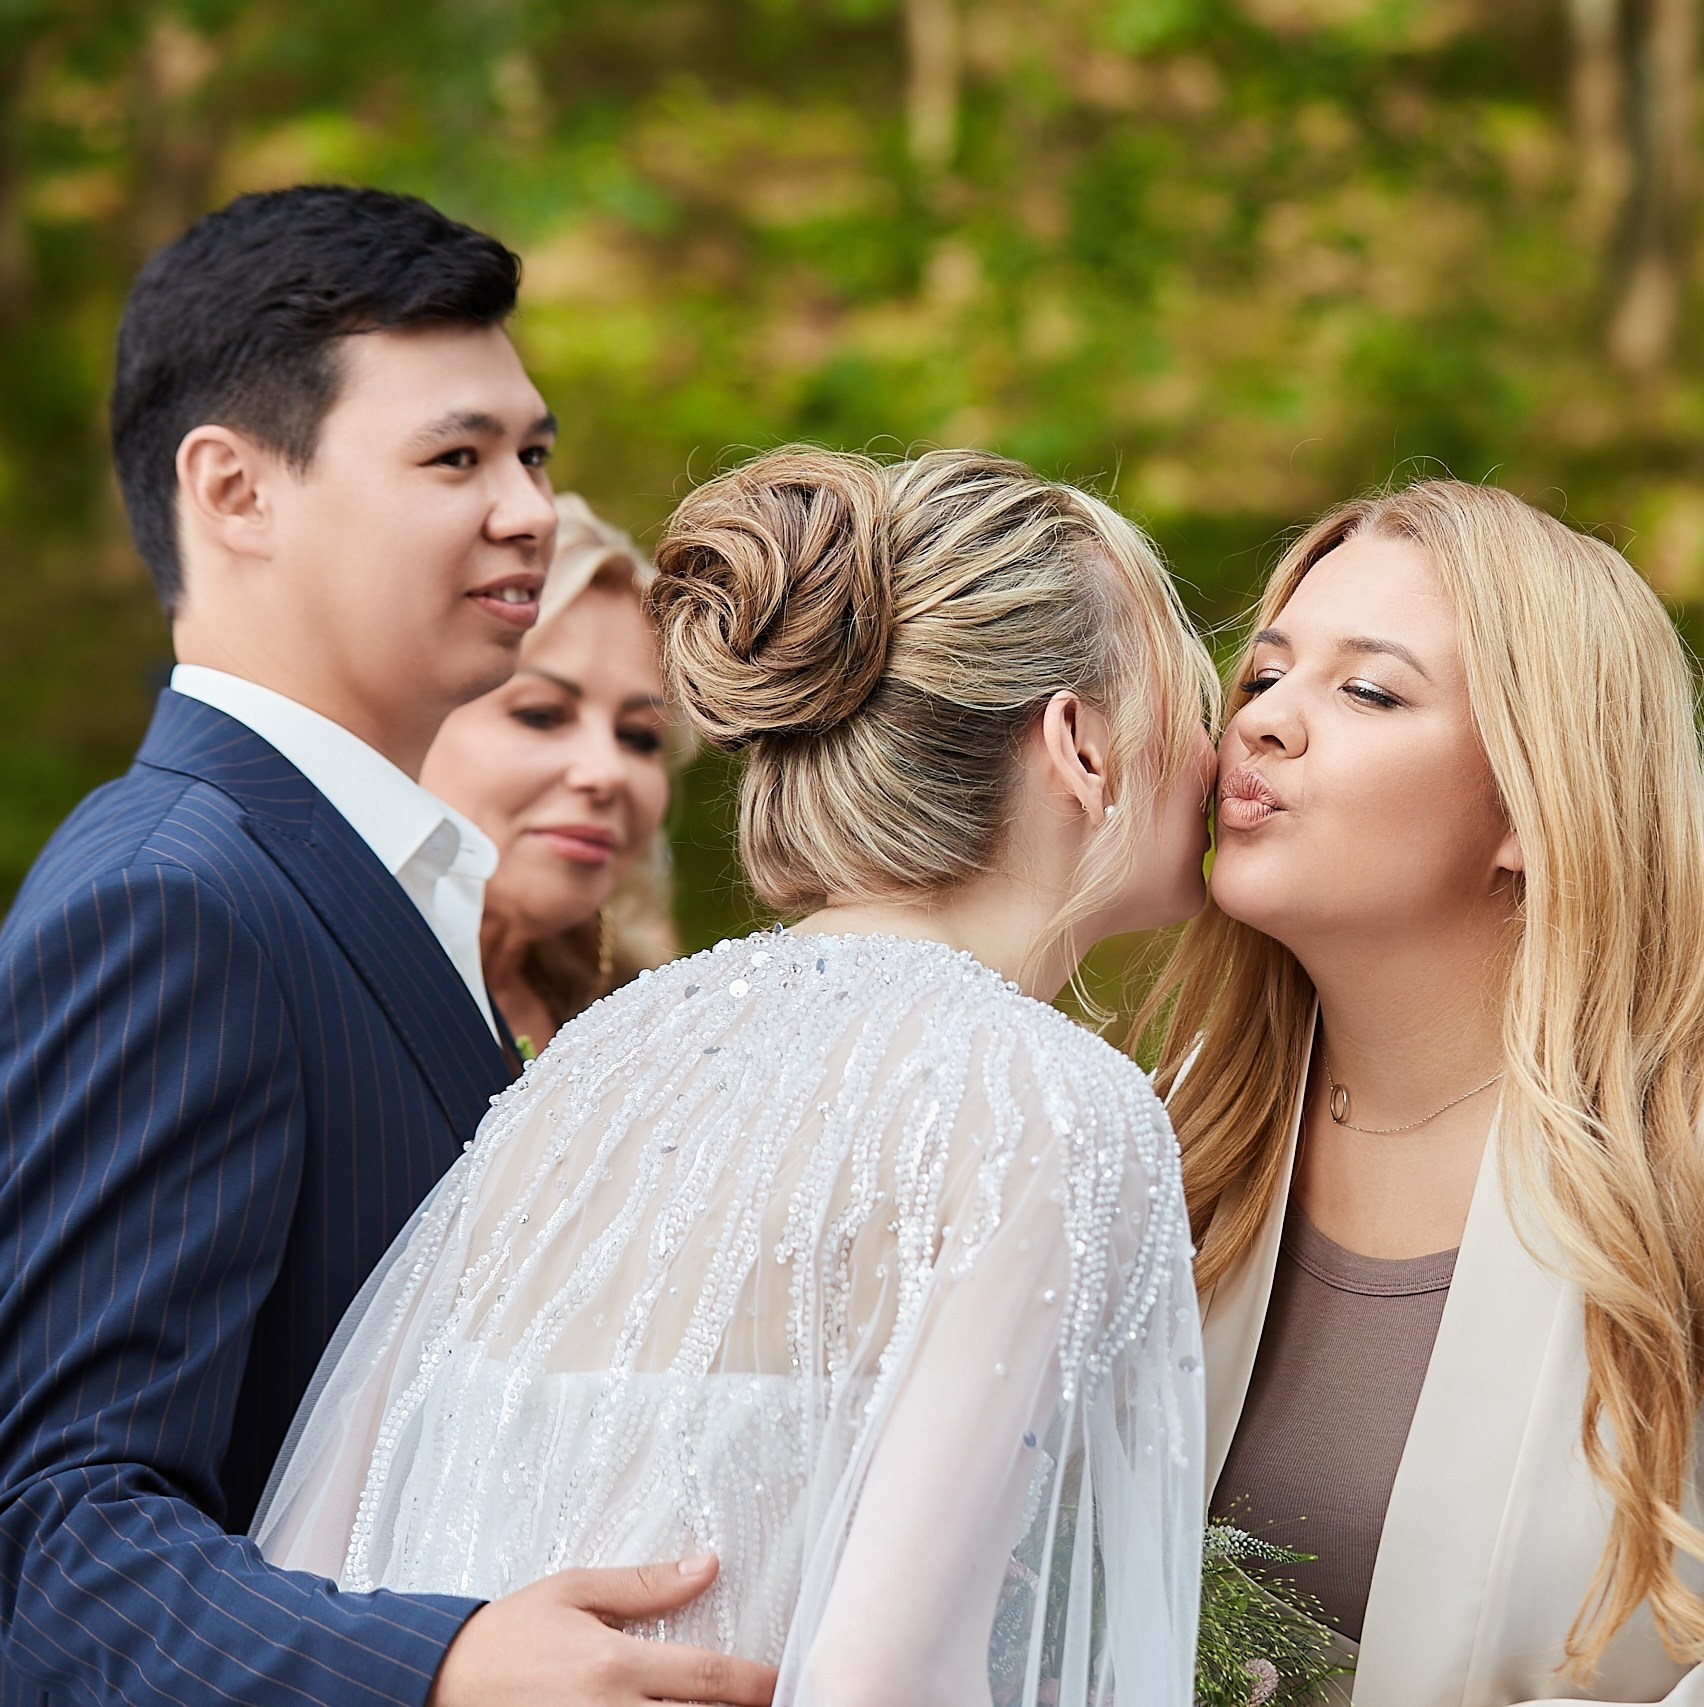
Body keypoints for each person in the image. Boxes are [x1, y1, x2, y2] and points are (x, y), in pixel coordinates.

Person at [256, 446, 1223, 1705]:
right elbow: (883, 1681)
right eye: (1190, 697)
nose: (1219, 750)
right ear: (1080, 747)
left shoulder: (599, 1054)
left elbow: (315, 1563)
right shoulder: (1041, 1103)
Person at [0, 185, 772, 1707]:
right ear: (235, 490)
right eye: (455, 457)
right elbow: (44, 1541)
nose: (528, 509)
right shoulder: (172, 898)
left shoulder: (389, 883)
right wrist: (441, 1660)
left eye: (533, 453)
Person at [1146, 481, 1704, 1704]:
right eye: (1263, 676)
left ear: (1535, 801)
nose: (1261, 721)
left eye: (1367, 690)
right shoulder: (1172, 1130)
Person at [421, 493, 686, 1058]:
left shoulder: (649, 1021)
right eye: (541, 714)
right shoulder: (301, 980)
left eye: (639, 737)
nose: (606, 772)